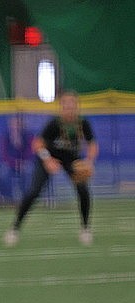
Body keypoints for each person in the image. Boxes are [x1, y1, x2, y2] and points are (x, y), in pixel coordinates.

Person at [5, 90, 98, 247]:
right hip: (48, 157)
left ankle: (85, 229)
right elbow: (37, 144)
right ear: (61, 107)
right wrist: (47, 159)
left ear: (77, 107)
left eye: (72, 104)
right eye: (65, 104)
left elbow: (92, 144)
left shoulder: (83, 123)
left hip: (71, 158)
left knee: (83, 189)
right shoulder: (54, 124)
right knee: (34, 191)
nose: (69, 108)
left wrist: (89, 160)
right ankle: (14, 228)